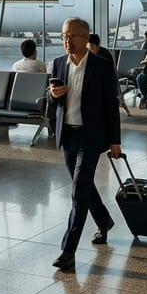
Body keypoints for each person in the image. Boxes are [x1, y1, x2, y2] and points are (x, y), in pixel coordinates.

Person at [48, 17, 122, 271]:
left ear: (86, 37)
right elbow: (52, 102)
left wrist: (115, 141)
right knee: (84, 186)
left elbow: (111, 106)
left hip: (91, 136)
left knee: (78, 192)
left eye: (73, 36)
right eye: (64, 36)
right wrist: (52, 95)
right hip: (68, 134)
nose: (67, 41)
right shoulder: (58, 64)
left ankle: (68, 251)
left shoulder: (101, 66)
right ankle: (104, 220)